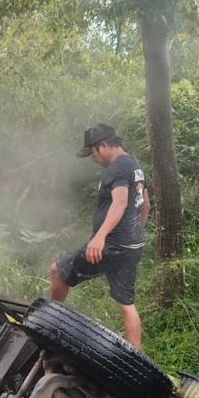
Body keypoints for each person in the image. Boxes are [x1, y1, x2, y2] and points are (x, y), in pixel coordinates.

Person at [49, 124, 151, 347]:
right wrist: (136, 233)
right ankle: (136, 357)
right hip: (131, 245)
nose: (93, 159)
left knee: (58, 270)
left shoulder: (115, 168)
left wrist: (100, 236)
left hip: (112, 244)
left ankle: (51, 325)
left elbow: (121, 202)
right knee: (126, 303)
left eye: (92, 153)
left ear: (102, 145)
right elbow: (145, 204)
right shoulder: (135, 166)